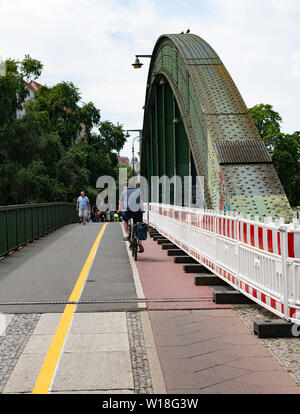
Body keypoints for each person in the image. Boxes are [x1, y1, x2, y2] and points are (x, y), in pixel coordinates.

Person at [119, 183, 144, 253]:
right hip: (137, 211)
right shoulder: (139, 191)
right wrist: (142, 210)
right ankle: (140, 243)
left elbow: (120, 204)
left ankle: (127, 234)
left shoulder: (123, 192)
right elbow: (141, 202)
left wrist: (120, 211)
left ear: (126, 187)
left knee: (124, 220)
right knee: (139, 225)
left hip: (128, 211)